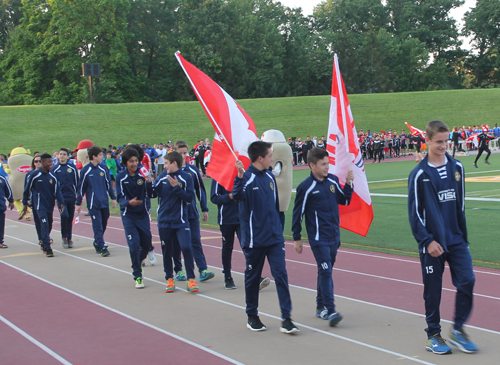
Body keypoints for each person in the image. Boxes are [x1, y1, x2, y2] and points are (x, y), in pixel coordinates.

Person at [408, 120, 478, 355]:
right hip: (432, 243)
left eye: (446, 141)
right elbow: (415, 212)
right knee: (433, 291)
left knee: (468, 280)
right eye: (438, 142)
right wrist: (427, 241)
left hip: (456, 239)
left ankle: (457, 330)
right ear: (427, 140)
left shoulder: (457, 167)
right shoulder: (419, 174)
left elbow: (461, 205)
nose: (443, 145)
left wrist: (462, 235)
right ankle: (433, 335)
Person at [233, 141, 298, 334]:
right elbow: (236, 196)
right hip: (255, 241)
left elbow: (275, 206)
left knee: (281, 275)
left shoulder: (270, 176)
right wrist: (239, 177)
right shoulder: (247, 178)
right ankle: (252, 315)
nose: (272, 158)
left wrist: (278, 230)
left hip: (274, 238)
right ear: (260, 158)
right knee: (253, 279)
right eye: (270, 155)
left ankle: (286, 318)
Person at [292, 147, 353, 327]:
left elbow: (345, 201)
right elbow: (298, 213)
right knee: (325, 270)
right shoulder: (306, 187)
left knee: (325, 271)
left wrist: (349, 184)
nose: (327, 167)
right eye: (323, 164)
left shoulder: (332, 181)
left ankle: (320, 306)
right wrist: (297, 237)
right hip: (318, 239)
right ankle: (331, 309)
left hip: (334, 236)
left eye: (328, 163)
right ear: (312, 165)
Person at [153, 151, 199, 293]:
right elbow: (153, 193)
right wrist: (148, 183)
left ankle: (191, 279)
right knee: (167, 250)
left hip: (180, 220)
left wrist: (176, 187)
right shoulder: (162, 177)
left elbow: (190, 198)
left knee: (186, 247)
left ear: (174, 163)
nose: (164, 166)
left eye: (166, 163)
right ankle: (169, 279)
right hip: (164, 221)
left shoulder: (186, 178)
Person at [171, 141, 214, 282]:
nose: (183, 156)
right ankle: (178, 270)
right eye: (180, 153)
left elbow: (200, 190)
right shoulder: (170, 173)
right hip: (176, 215)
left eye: (185, 153)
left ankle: (202, 269)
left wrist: (204, 209)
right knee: (178, 244)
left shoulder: (193, 171)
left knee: (195, 240)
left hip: (191, 213)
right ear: (174, 153)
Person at [116, 147, 154, 289]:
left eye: (136, 161)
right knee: (133, 246)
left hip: (142, 215)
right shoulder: (121, 177)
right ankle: (137, 275)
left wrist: (149, 181)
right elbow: (120, 198)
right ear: (125, 162)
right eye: (131, 161)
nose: (134, 164)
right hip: (129, 216)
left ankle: (137, 262)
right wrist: (128, 203)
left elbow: (151, 194)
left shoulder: (142, 174)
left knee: (146, 245)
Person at [76, 146, 117, 257]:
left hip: (104, 202)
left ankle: (97, 241)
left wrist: (113, 198)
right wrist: (78, 203)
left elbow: (108, 184)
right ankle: (101, 246)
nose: (102, 157)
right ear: (93, 157)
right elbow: (81, 188)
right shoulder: (86, 170)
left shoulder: (103, 168)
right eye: (100, 155)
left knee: (104, 222)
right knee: (97, 225)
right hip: (93, 203)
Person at [22, 153, 65, 257]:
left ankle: (43, 238)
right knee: (44, 224)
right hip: (39, 205)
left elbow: (57, 190)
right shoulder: (34, 175)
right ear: (42, 162)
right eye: (49, 162)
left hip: (49, 205)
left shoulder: (52, 176)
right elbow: (27, 189)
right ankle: (47, 247)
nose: (51, 164)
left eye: (52, 162)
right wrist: (25, 202)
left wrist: (61, 202)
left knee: (49, 224)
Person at [210, 178, 239, 289]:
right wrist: (230, 196)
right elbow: (214, 197)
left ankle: (254, 275)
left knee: (248, 247)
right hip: (226, 218)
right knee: (227, 247)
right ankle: (227, 277)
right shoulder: (219, 176)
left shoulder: (241, 173)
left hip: (242, 217)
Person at [51, 148, 78, 248]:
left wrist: (77, 194)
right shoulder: (55, 169)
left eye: (64, 154)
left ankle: (69, 238)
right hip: (61, 197)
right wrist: (54, 197)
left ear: (68, 156)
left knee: (70, 217)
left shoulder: (72, 168)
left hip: (71, 196)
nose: (62, 156)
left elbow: (76, 182)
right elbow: (53, 184)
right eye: (60, 154)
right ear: (57, 156)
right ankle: (64, 237)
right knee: (64, 216)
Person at [0, 173, 15, 248]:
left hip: (0, 206)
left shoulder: (2, 178)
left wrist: (11, 201)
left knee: (0, 225)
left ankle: (0, 241)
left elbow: (7, 190)